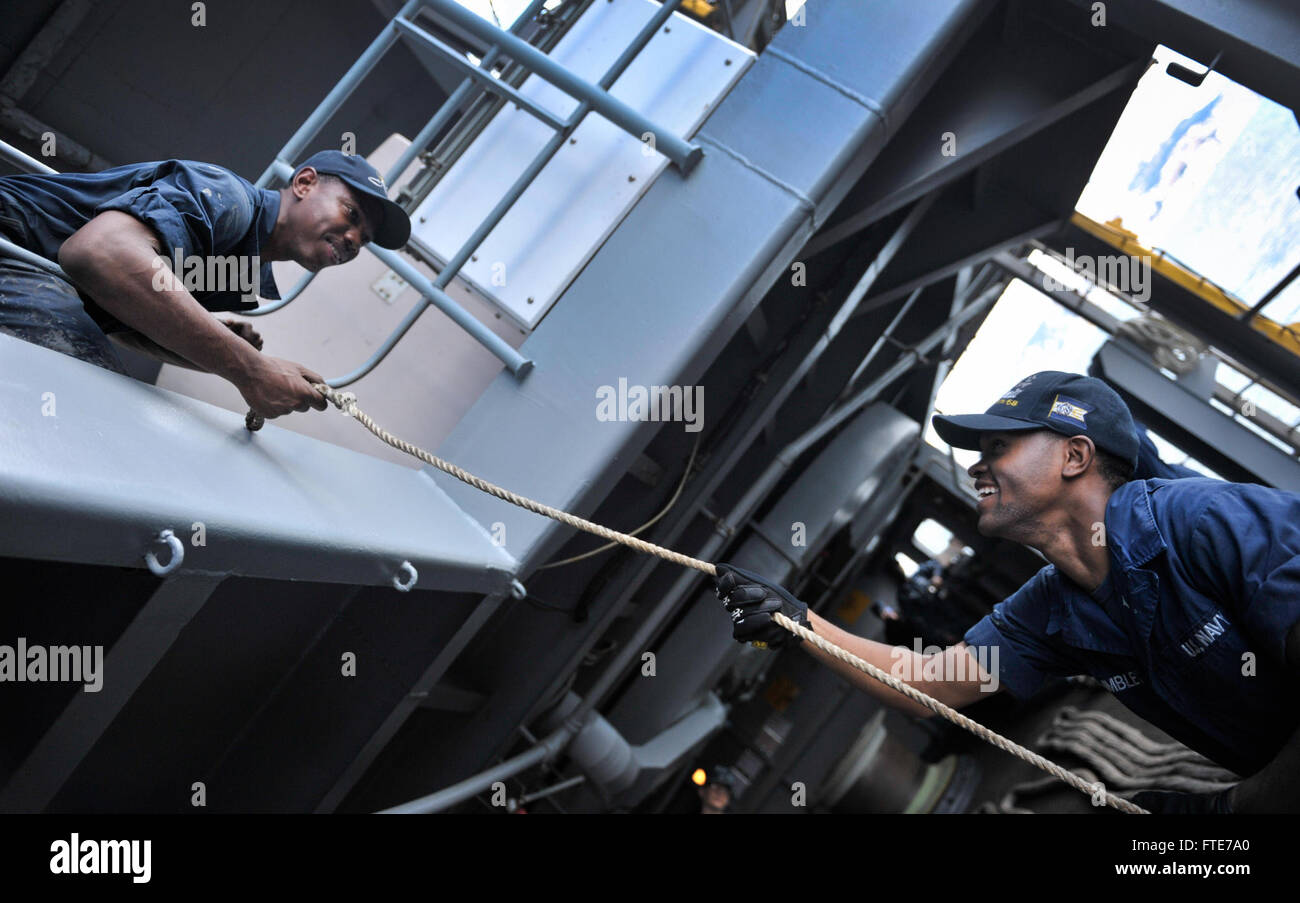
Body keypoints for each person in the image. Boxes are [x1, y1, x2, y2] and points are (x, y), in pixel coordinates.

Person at [714, 371, 1300, 813]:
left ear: (1076, 455)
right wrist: (801, 623)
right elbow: (929, 684)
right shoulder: (1053, 604)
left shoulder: (1205, 521)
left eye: (999, 447)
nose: (976, 467)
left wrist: (1232, 811)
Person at [0, 149, 410, 421]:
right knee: (91, 407)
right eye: (352, 214)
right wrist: (251, 370)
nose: (355, 239)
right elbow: (99, 253)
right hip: (11, 246)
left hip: (37, 279)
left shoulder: (242, 272)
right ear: (304, 183)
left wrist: (221, 347)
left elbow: (122, 317)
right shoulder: (230, 199)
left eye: (366, 240)